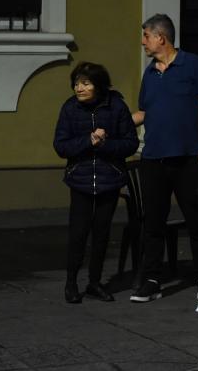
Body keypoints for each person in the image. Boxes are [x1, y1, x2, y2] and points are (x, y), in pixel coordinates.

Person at [130, 13, 198, 303]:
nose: (143, 42)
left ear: (160, 38)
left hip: (189, 158)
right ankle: (152, 280)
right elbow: (144, 112)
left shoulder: (193, 64)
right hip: (154, 158)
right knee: (153, 221)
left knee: (196, 220)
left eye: (146, 36)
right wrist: (115, 122)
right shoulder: (150, 72)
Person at [53, 62, 139, 304]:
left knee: (101, 233)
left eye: (85, 83)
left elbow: (130, 143)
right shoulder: (70, 109)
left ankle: (95, 282)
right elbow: (61, 146)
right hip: (79, 179)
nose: (79, 88)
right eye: (76, 83)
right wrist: (88, 141)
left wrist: (105, 145)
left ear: (98, 85)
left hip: (109, 179)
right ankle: (71, 283)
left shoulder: (116, 106)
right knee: (78, 233)